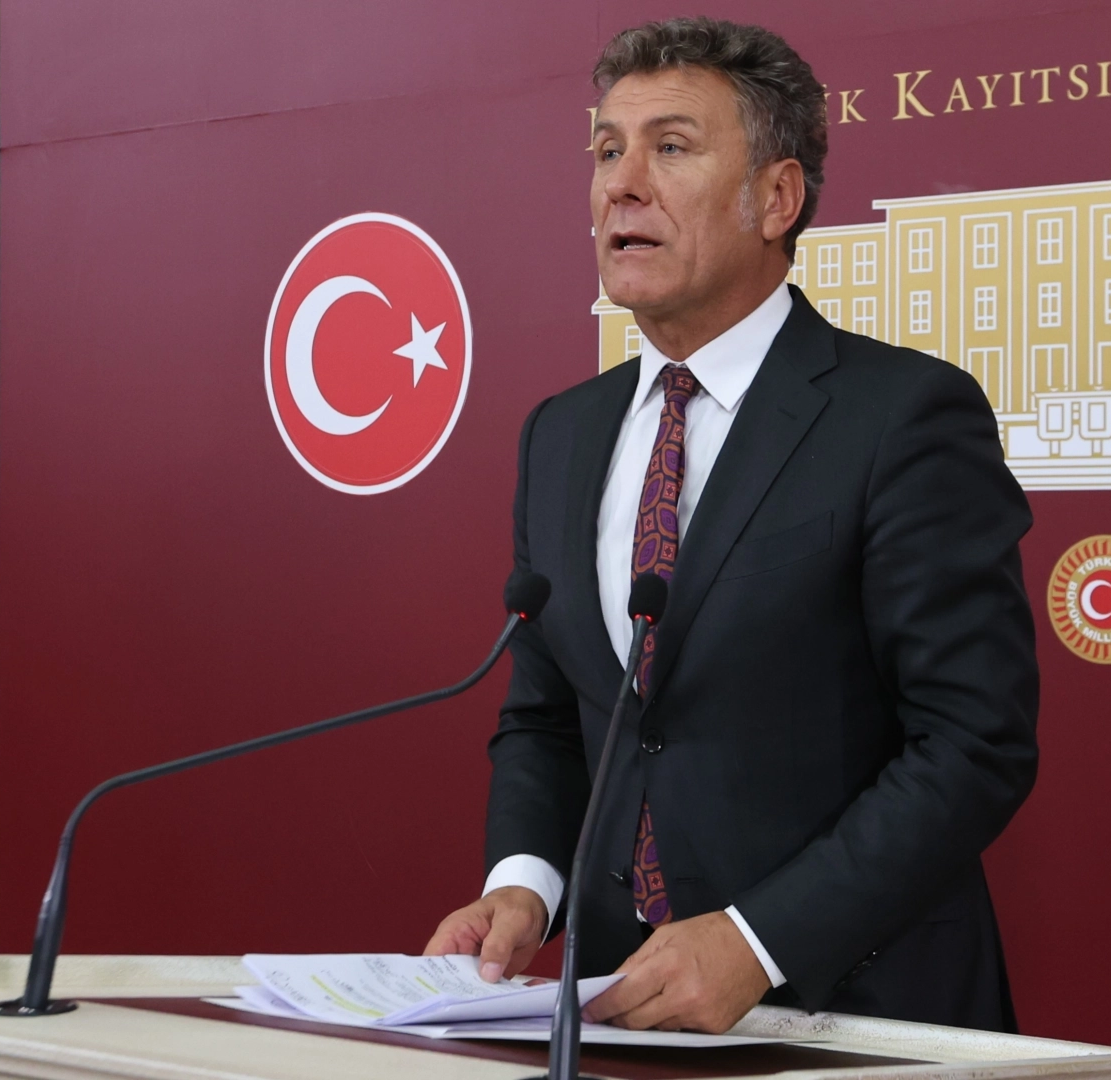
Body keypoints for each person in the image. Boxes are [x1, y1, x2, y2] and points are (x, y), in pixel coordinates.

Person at [425, 16, 1039, 1034]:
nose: (623, 186)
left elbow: (973, 744)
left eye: (670, 148)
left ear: (776, 199)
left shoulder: (901, 417)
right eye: (607, 151)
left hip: (857, 1015)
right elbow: (549, 717)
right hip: (622, 1013)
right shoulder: (561, 434)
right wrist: (524, 885)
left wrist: (758, 940)